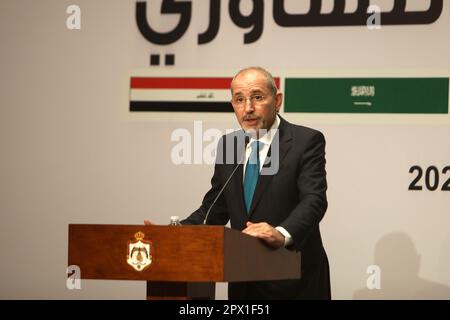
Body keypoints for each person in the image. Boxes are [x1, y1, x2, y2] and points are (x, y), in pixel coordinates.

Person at [150, 66, 331, 299]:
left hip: (294, 279)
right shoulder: (229, 145)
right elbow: (215, 208)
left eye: (257, 97)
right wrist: (175, 234)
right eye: (239, 99)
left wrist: (281, 233)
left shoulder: (305, 141)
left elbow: (314, 200)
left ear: (277, 101)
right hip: (244, 281)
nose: (248, 108)